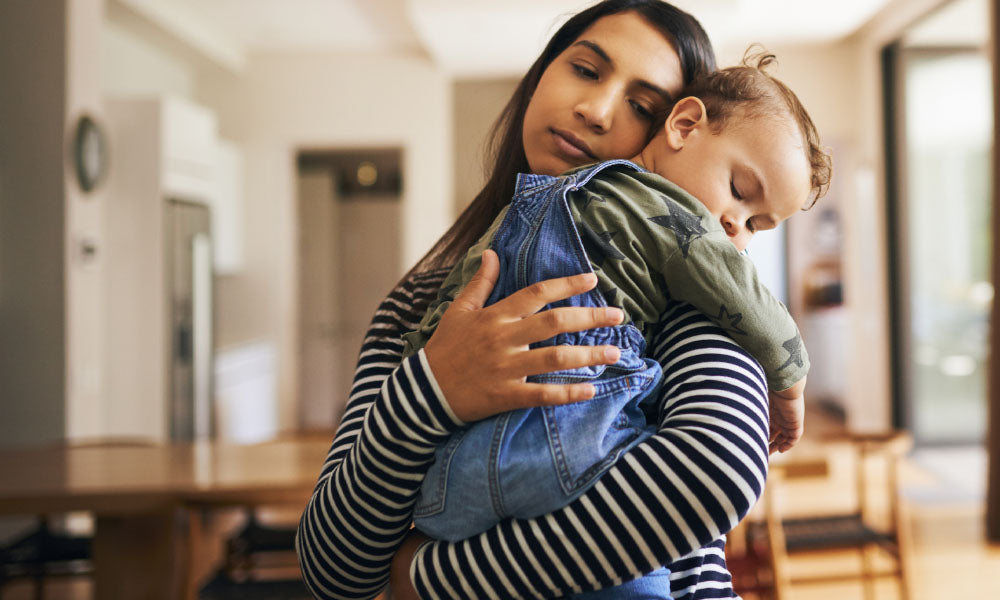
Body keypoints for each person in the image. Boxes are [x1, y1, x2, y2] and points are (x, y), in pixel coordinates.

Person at [297, 2, 774, 598]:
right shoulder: (419, 305)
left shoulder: (684, 305)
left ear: (672, 137)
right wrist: (434, 388)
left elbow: (717, 470)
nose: (595, 111)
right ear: (542, 74)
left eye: (641, 107)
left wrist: (425, 578)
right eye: (586, 70)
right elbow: (332, 570)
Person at [399, 56, 829, 597]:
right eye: (741, 190)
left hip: (449, 481)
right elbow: (745, 296)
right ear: (684, 124)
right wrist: (790, 383)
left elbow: (460, 295)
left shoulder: (530, 204)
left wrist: (423, 365)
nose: (735, 229)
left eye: (756, 225)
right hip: (574, 439)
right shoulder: (671, 216)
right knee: (635, 571)